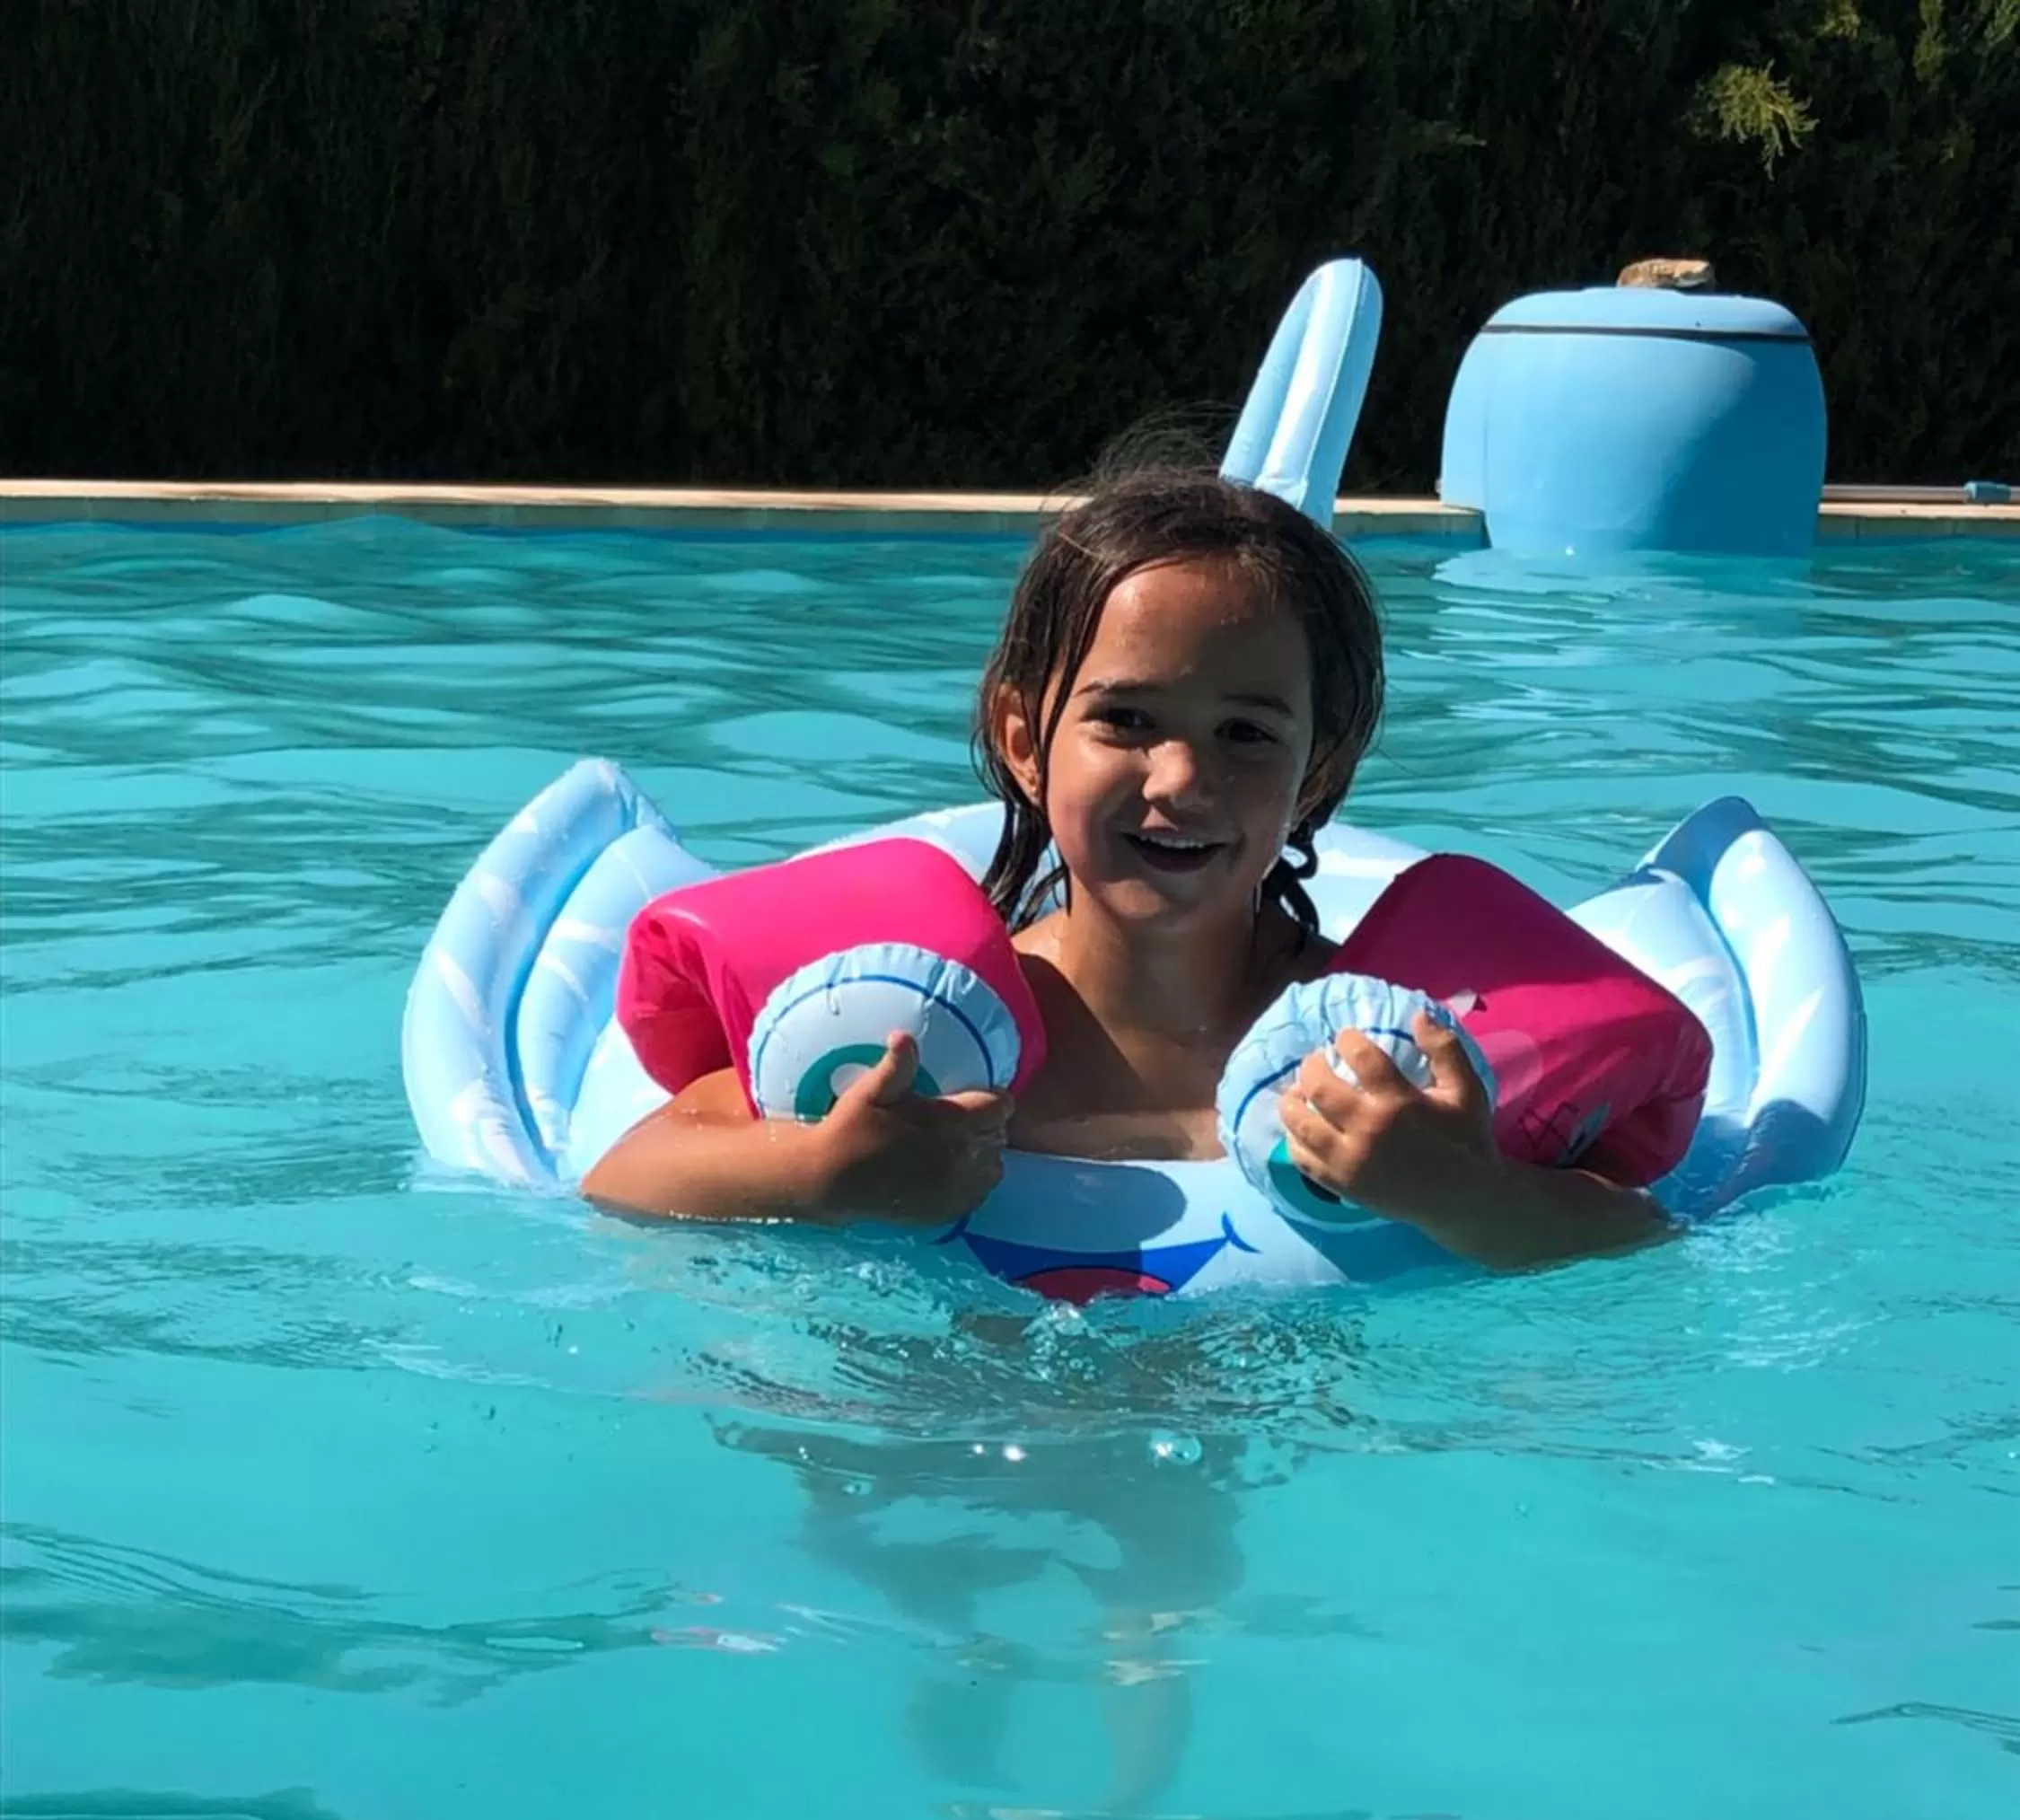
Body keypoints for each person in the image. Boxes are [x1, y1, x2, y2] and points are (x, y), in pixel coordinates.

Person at [583, 462, 1666, 1267]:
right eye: (1129, 720)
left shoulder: (1382, 1057)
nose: (1181, 780)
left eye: (1246, 734)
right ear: (1024, 740)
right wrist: (818, 1174)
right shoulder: (928, 1033)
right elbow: (626, 1176)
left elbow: (1643, 1238)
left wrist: (1466, 1195)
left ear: (1319, 769)